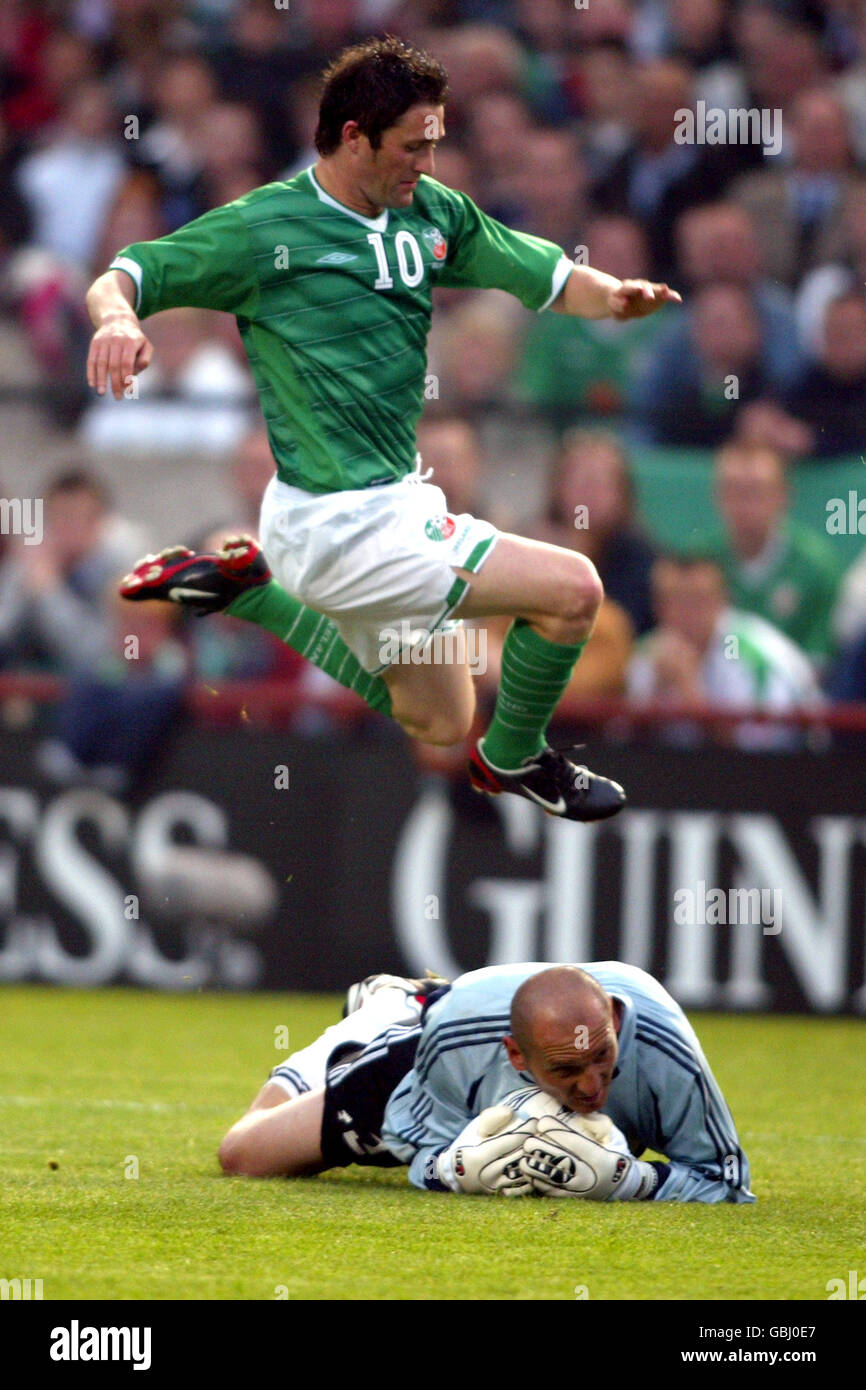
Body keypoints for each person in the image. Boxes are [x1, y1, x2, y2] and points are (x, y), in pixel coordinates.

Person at [85, 35, 681, 824]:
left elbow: (538, 272)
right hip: (337, 522)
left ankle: (255, 591)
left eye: (433, 144)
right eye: (412, 146)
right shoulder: (267, 228)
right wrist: (117, 321)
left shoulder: (427, 213)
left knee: (440, 718)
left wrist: (610, 296)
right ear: (355, 136)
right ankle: (519, 758)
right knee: (574, 592)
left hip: (386, 510)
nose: (426, 165)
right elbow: (125, 273)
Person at [218, 962, 754, 1205]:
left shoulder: (665, 1049)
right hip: (433, 1037)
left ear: (613, 1023)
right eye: (566, 1071)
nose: (592, 1086)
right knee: (246, 1153)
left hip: (487, 1022)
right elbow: (414, 1141)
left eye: (602, 1057)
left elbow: (728, 1180)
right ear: (517, 1055)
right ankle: (387, 1008)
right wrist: (453, 1167)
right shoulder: (459, 1040)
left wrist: (634, 1182)